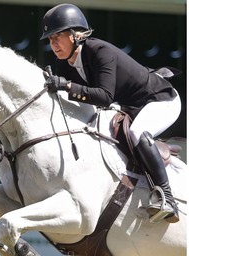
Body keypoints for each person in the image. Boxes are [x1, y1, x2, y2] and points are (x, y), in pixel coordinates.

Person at [40, 3, 182, 223]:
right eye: (50, 39)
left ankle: (167, 197)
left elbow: (104, 96)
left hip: (159, 99)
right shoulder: (65, 64)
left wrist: (68, 87)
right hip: (129, 106)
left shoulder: (99, 51)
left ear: (76, 35)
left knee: (137, 132)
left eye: (58, 36)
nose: (53, 43)